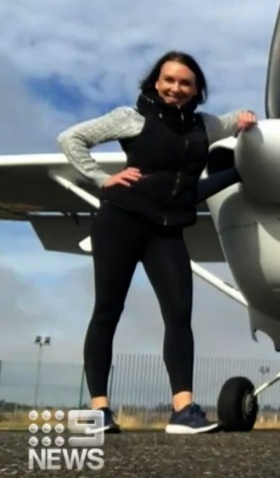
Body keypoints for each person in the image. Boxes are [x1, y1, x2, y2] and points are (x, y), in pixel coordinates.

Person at [57, 50, 258, 434]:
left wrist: (247, 118)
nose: (175, 89)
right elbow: (71, 138)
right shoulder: (130, 118)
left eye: (185, 83)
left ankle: (183, 410)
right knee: (107, 310)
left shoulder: (204, 126)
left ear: (197, 89)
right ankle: (98, 412)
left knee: (179, 314)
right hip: (121, 221)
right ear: (155, 82)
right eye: (169, 80)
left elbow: (238, 120)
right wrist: (100, 178)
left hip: (167, 230)